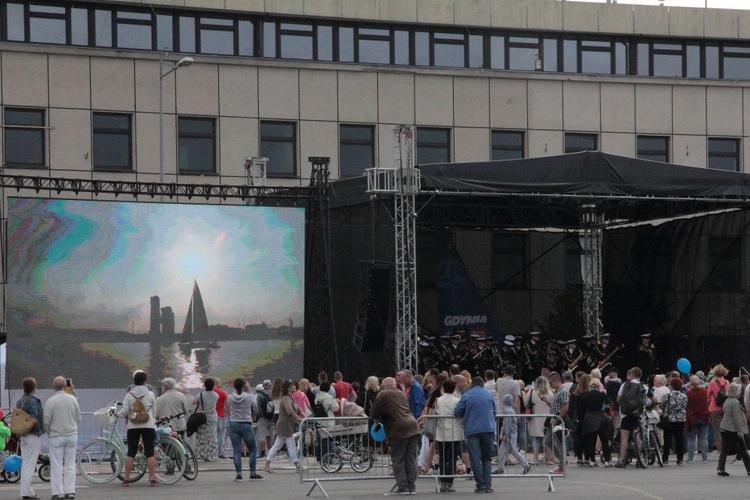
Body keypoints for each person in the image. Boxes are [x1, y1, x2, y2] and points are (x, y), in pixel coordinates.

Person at [370, 377, 421, 495]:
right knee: (410, 458)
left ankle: (403, 487)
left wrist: (380, 417)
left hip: (398, 429)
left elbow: (374, 412)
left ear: (383, 385)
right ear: (395, 384)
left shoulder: (383, 394)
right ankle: (411, 486)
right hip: (413, 426)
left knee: (398, 459)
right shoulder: (401, 393)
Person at [454, 376, 497, 494]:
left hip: (472, 430)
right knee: (487, 457)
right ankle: (488, 484)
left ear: (471, 385)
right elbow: (494, 411)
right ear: (483, 384)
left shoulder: (467, 395)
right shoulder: (489, 395)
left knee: (475, 457)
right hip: (488, 428)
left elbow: (457, 412)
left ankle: (480, 484)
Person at [117, 370, 158, 486]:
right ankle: (153, 479)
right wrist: (152, 419)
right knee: (150, 453)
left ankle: (126, 479)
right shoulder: (150, 394)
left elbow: (124, 411)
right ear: (145, 381)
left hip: (133, 426)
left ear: (134, 381)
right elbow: (154, 411)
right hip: (148, 425)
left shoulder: (129, 394)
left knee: (131, 452)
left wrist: (118, 414)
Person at [43, 376, 81, 500]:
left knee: (56, 464)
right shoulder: (73, 399)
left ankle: (57, 492)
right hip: (71, 434)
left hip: (56, 435)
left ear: (53, 386)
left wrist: (49, 432)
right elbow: (78, 418)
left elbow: (46, 421)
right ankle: (70, 491)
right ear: (66, 386)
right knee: (70, 464)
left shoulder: (50, 401)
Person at [615, 367, 654, 468]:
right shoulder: (644, 387)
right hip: (638, 414)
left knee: (624, 437)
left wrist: (624, 405)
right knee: (640, 435)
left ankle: (622, 460)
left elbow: (618, 399)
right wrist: (648, 407)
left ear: (631, 375)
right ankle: (640, 458)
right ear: (640, 376)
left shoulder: (624, 385)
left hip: (626, 414)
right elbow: (654, 399)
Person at [263, 379, 305, 472]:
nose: (295, 386)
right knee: (290, 444)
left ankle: (266, 464)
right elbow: (290, 411)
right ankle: (297, 465)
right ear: (289, 388)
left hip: (284, 424)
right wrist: (299, 419)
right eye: (293, 385)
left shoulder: (289, 398)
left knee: (277, 445)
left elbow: (297, 409)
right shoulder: (286, 399)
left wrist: (302, 414)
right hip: (285, 425)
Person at [226, 378, 263, 481]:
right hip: (246, 423)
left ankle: (239, 474)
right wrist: (249, 390)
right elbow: (255, 408)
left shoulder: (230, 397)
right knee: (253, 449)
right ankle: (253, 473)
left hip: (234, 423)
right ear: (244, 386)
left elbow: (229, 406)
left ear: (234, 386)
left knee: (236, 450)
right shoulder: (249, 396)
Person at [16, 377, 44, 500]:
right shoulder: (33, 401)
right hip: (33, 435)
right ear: (34, 388)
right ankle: (26, 492)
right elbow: (35, 418)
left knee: (26, 463)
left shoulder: (20, 401)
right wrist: (40, 430)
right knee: (30, 464)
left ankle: (27, 491)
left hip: (23, 435)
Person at [579, 378, 614, 467]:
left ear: (590, 386)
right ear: (599, 386)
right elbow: (606, 408)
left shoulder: (584, 396)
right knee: (604, 441)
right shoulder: (603, 395)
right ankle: (607, 461)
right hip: (601, 417)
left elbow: (581, 410)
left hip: (589, 418)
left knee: (591, 441)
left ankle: (592, 461)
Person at [434, 379, 462, 493]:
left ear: (444, 388)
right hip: (454, 432)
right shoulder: (457, 400)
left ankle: (442, 482)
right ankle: (449, 483)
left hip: (441, 432)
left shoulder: (439, 400)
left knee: (443, 458)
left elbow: (437, 412)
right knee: (452, 458)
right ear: (454, 388)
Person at [717, 382, 750, 476]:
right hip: (732, 429)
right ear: (736, 392)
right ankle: (749, 469)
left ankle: (721, 468)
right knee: (743, 449)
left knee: (724, 449)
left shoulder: (727, 400)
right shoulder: (735, 402)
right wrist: (740, 431)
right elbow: (736, 418)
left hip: (724, 427)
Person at [497, 394, 532, 474]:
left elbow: (507, 424)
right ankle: (500, 468)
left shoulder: (508, 411)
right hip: (510, 433)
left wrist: (505, 434)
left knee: (514, 451)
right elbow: (505, 423)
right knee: (502, 451)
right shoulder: (509, 410)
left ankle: (526, 465)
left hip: (510, 434)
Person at [524, 375, 553, 465]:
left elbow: (526, 404)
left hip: (535, 418)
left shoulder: (532, 392)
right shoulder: (550, 393)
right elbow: (553, 406)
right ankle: (548, 459)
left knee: (536, 439)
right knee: (548, 440)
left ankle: (535, 460)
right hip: (547, 419)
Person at [546, 372, 569, 474]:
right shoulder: (557, 391)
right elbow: (556, 405)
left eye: (551, 383)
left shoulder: (562, 391)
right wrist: (547, 402)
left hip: (558, 420)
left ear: (556, 381)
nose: (550, 385)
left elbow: (565, 406)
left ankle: (562, 465)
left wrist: (558, 418)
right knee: (548, 441)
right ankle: (562, 459)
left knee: (559, 443)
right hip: (553, 419)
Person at [660, 377, 688, 464]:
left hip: (669, 419)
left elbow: (661, 406)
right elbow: (685, 406)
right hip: (680, 419)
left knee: (667, 438)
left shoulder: (667, 396)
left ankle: (665, 458)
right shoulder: (684, 396)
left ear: (671, 386)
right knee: (679, 438)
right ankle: (680, 458)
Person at [192, 378, 220, 461]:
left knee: (201, 436)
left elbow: (193, 402)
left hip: (201, 418)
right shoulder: (216, 395)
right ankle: (211, 455)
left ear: (204, 385)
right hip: (212, 418)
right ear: (213, 386)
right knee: (211, 436)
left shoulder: (200, 394)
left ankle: (200, 454)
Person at [686, 375, 710, 462]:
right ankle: (704, 457)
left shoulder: (688, 393)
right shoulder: (705, 391)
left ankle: (690, 457)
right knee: (704, 438)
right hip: (704, 416)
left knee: (691, 438)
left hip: (692, 417)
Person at [708, 364, 730, 453]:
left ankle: (720, 449)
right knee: (727, 428)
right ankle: (727, 447)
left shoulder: (712, 383)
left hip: (714, 408)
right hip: (725, 407)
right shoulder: (727, 382)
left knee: (717, 430)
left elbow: (708, 396)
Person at [255, 379, 275, 457]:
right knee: (272, 435)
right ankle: (272, 452)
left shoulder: (259, 396)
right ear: (270, 386)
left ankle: (262, 452)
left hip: (262, 418)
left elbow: (258, 407)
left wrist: (258, 416)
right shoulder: (273, 394)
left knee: (262, 436)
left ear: (263, 386)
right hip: (272, 418)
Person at [214, 377, 229, 459]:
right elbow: (227, 405)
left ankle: (212, 452)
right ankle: (220, 452)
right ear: (217, 383)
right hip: (220, 415)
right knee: (220, 435)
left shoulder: (209, 392)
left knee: (212, 435)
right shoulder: (223, 393)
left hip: (211, 417)